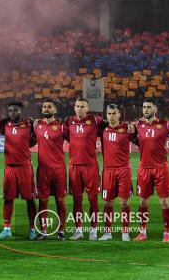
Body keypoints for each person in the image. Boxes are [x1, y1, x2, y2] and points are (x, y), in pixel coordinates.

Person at [0, 102, 38, 240]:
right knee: (8, 199)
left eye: (15, 110)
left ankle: (32, 229)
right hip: (10, 168)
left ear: (20, 111)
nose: (12, 113)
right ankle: (7, 229)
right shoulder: (5, 125)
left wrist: (33, 124)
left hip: (25, 168)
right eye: (10, 111)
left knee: (30, 200)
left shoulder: (28, 125)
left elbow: (33, 141)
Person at [134, 98, 169, 242]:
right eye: (144, 107)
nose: (146, 110)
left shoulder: (165, 125)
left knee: (164, 201)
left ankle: (167, 234)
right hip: (144, 168)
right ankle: (142, 232)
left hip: (160, 167)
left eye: (149, 107)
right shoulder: (138, 125)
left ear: (155, 109)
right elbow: (133, 139)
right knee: (143, 201)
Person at [65, 98, 102, 241]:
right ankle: (78, 230)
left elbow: (110, 130)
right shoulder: (68, 122)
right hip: (74, 165)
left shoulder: (96, 120)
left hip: (91, 165)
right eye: (78, 106)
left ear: (87, 108)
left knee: (93, 199)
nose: (80, 109)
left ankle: (93, 230)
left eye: (83, 107)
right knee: (77, 200)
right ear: (74, 107)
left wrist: (100, 147)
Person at [99, 104, 135, 241]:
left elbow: (139, 132)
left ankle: (125, 232)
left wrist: (134, 127)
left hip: (124, 170)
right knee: (108, 202)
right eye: (109, 114)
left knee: (124, 202)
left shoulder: (126, 128)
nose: (111, 116)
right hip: (108, 170)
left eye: (114, 114)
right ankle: (107, 232)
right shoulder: (103, 129)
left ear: (119, 115)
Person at [34, 99, 67, 241]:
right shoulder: (36, 125)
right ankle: (43, 230)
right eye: (44, 107)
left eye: (49, 107)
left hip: (59, 169)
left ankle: (61, 231)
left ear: (55, 110)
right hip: (43, 169)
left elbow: (78, 140)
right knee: (43, 201)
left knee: (60, 200)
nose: (46, 109)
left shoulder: (62, 126)